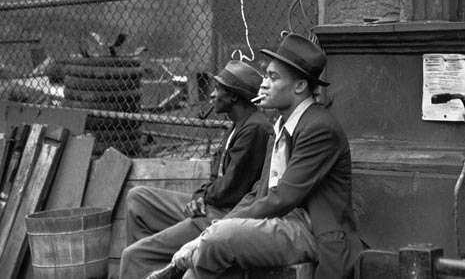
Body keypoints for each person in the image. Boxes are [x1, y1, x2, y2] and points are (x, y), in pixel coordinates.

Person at [141, 34, 364, 279]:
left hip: (311, 231)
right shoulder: (281, 125)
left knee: (219, 240)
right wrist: (220, 225)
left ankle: (179, 266)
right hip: (281, 223)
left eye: (273, 77)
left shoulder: (318, 128)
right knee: (212, 245)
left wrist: (217, 231)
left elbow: (282, 198)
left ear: (300, 86)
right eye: (265, 75)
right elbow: (260, 190)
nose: (263, 84)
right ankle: (182, 266)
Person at [121, 60, 272, 279]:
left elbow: (230, 190)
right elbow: (215, 178)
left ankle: (145, 262)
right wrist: (199, 196)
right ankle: (157, 269)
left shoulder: (255, 129)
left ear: (233, 97)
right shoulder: (236, 125)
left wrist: (203, 197)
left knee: (133, 256)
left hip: (224, 217)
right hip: (211, 205)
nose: (212, 94)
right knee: (137, 199)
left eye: (218, 89)